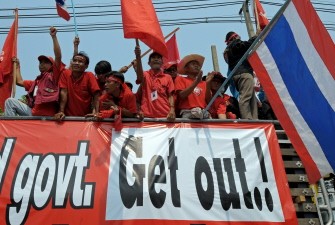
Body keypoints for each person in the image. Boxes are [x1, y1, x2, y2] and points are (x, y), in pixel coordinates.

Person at [4, 27, 64, 117]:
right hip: (33, 114)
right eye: (40, 62)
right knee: (10, 102)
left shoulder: (53, 76)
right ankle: (10, 129)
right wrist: (17, 66)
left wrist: (54, 37)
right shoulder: (36, 82)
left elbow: (58, 56)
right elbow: (19, 81)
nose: (42, 64)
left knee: (10, 102)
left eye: (45, 62)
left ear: (52, 66)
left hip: (49, 117)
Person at [54, 51, 100, 120]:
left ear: (86, 66)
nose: (76, 63)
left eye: (80, 61)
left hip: (85, 119)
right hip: (67, 118)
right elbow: (63, 93)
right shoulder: (65, 74)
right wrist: (61, 111)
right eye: (74, 60)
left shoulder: (89, 75)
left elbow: (96, 95)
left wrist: (97, 113)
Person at [134, 46, 175, 121]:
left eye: (158, 58)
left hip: (165, 115)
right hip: (147, 116)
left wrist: (172, 110)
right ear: (149, 63)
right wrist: (138, 56)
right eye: (153, 58)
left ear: (162, 63)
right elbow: (139, 76)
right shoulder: (145, 74)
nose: (156, 59)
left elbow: (170, 95)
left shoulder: (168, 77)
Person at [224, 31, 258, 119]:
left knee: (250, 97)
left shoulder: (229, 50)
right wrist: (256, 36)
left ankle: (254, 119)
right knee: (246, 97)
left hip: (240, 74)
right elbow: (246, 45)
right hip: (243, 73)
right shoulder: (235, 44)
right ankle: (248, 119)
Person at [175, 54, 212, 119]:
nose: (196, 66)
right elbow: (182, 95)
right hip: (188, 112)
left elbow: (209, 101)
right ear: (186, 68)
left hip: (203, 112)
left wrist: (208, 84)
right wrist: (196, 82)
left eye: (198, 65)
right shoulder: (180, 79)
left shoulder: (204, 83)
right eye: (193, 64)